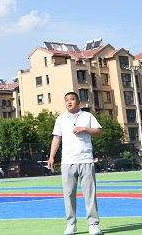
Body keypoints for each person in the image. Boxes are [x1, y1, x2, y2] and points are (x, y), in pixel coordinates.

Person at [48, 92, 103, 235]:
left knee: (89, 194)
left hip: (85, 160)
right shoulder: (61, 119)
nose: (69, 102)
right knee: (68, 194)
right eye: (66, 100)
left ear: (78, 102)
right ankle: (71, 224)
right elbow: (56, 138)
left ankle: (93, 225)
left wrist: (85, 129)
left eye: (72, 99)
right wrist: (51, 156)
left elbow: (99, 132)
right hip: (67, 162)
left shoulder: (88, 116)